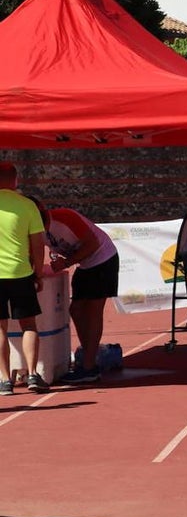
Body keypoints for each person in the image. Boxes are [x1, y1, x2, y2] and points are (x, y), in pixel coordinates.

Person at [33, 201, 120, 385]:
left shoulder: (65, 217)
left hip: (103, 259)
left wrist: (66, 262)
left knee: (94, 309)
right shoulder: (35, 227)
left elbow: (92, 244)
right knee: (76, 309)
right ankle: (90, 356)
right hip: (85, 264)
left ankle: (89, 367)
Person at [0, 163, 49, 394]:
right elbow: (38, 245)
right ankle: (31, 374)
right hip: (21, 273)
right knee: (29, 325)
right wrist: (38, 273)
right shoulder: (27, 205)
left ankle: (4, 380)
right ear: (15, 180)